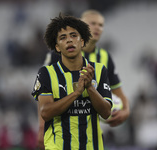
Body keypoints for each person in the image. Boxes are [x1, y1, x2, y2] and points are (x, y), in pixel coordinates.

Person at [32, 14, 112, 150]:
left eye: (73, 35)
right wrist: (76, 93)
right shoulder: (47, 73)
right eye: (63, 37)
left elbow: (106, 112)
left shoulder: (98, 70)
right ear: (57, 47)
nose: (69, 40)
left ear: (82, 42)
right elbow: (45, 112)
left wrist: (90, 88)